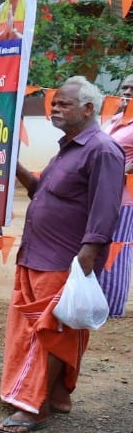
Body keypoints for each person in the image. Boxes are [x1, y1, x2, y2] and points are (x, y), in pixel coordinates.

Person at [0, 77, 125, 433]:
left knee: (52, 333)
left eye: (63, 105)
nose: (55, 109)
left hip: (66, 259)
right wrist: (16, 167)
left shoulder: (102, 150)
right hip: (37, 253)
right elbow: (42, 193)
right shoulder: (68, 148)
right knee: (39, 330)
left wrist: (86, 258)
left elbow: (105, 210)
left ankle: (34, 407)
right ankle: (53, 396)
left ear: (88, 109)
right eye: (54, 104)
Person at [98, 74, 133, 318]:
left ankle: (111, 308)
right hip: (99, 194)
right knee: (97, 245)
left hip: (124, 197)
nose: (128, 91)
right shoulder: (116, 119)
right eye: (126, 87)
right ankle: (94, 303)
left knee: (116, 251)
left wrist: (119, 172)